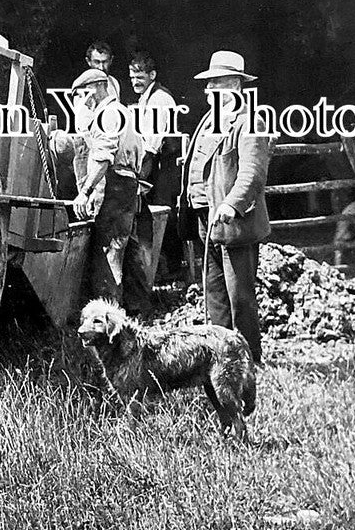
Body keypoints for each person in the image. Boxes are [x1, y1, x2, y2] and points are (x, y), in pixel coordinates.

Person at [179, 50, 275, 364]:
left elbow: (252, 172)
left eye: (216, 83)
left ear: (235, 85)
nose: (208, 90)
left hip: (234, 223)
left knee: (239, 298)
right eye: (208, 84)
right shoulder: (209, 120)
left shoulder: (249, 121)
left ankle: (250, 362)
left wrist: (232, 204)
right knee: (214, 293)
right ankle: (221, 360)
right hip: (205, 217)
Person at [69, 67, 148, 310]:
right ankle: (134, 309)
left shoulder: (108, 115)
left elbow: (103, 158)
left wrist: (85, 191)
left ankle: (109, 315)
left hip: (115, 186)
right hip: (126, 184)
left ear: (95, 90)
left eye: (82, 95)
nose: (82, 102)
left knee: (108, 251)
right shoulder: (121, 112)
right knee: (123, 247)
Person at [128, 51, 183, 278]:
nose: (135, 81)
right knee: (155, 214)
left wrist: (141, 176)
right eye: (132, 77)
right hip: (155, 162)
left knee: (164, 213)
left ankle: (174, 268)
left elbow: (152, 143)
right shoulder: (144, 98)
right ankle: (158, 266)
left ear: (152, 75)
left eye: (140, 77)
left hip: (164, 164)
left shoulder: (159, 99)